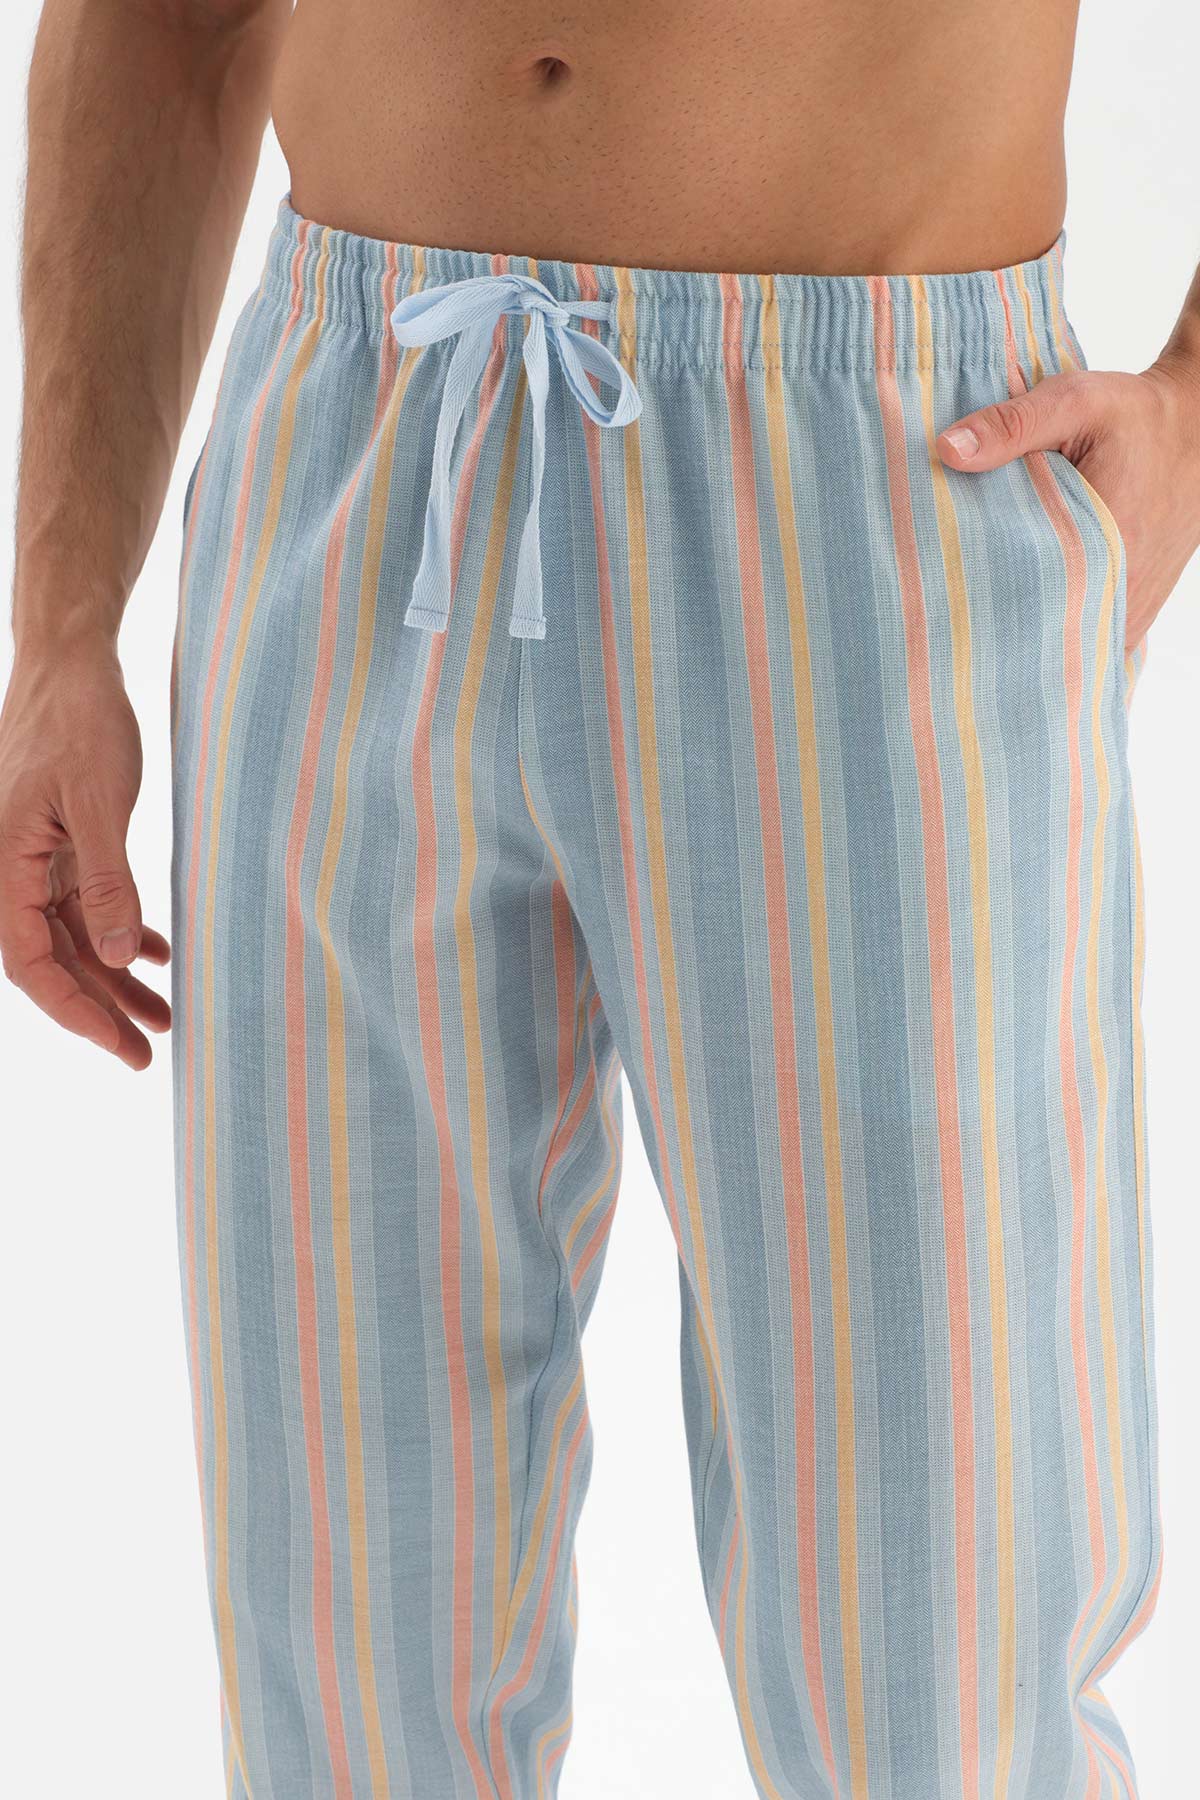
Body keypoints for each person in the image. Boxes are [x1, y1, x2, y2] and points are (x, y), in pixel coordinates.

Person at [2, 1, 1196, 1794]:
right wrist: (59, 626)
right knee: (345, 1668)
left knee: (938, 1676)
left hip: (875, 471)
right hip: (357, 439)